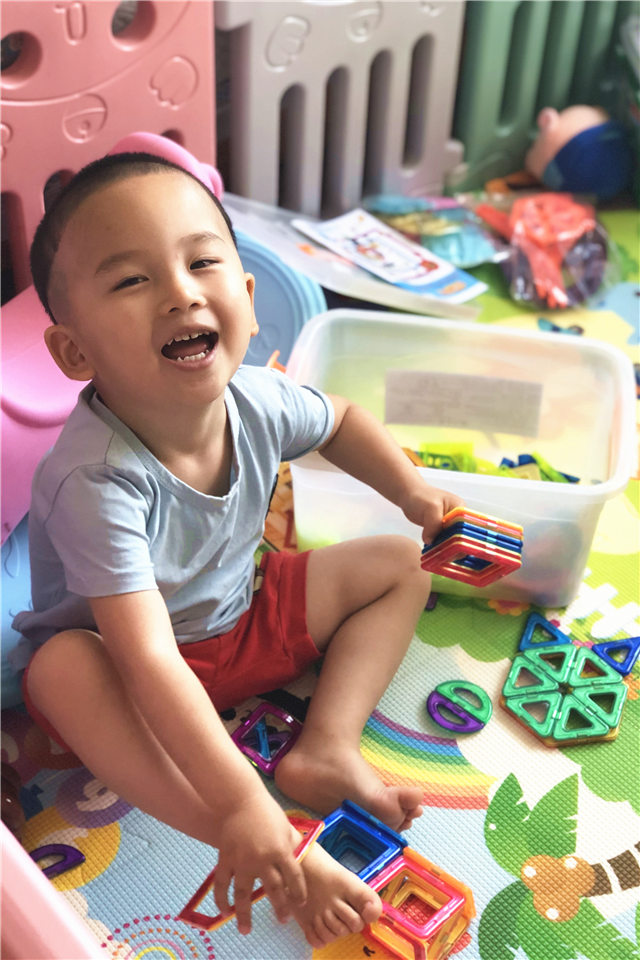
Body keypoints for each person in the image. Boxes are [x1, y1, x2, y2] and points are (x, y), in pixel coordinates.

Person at [14, 152, 463, 948]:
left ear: (248, 303)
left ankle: (325, 749)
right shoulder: (95, 480)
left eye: (201, 263)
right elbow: (149, 661)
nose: (180, 293)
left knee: (400, 565)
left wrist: (415, 495)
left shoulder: (256, 397)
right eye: (131, 281)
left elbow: (342, 419)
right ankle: (254, 835)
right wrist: (244, 804)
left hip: (244, 619)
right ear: (76, 353)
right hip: (133, 678)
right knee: (57, 669)